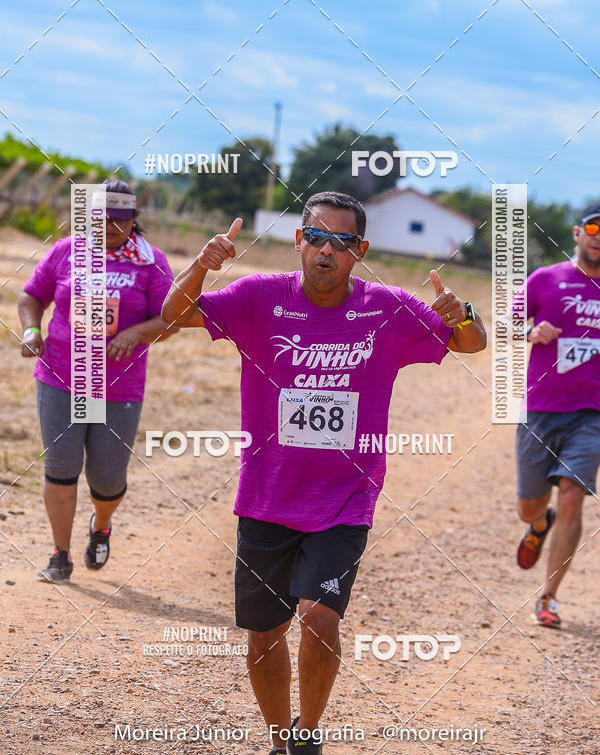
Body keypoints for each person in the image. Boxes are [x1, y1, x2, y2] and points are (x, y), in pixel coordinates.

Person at [162, 190, 486, 755]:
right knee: (264, 635)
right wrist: (201, 265)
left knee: (317, 619)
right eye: (315, 237)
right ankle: (279, 738)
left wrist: (466, 315)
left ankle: (307, 738)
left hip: (345, 498)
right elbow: (173, 314)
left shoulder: (386, 308)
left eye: (340, 241)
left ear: (360, 250)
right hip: (265, 496)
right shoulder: (260, 298)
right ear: (298, 241)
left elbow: (471, 345)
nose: (325, 251)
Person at [18, 179, 178, 583]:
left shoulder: (150, 261)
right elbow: (32, 296)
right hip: (61, 377)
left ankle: (101, 524)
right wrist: (32, 331)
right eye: (99, 218)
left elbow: (172, 318)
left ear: (133, 220)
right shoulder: (67, 250)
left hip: (117, 387)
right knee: (61, 465)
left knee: (107, 478)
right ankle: (60, 554)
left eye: (117, 220)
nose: (107, 226)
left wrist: (137, 333)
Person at [515, 204, 600, 628]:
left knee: (572, 496)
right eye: (594, 227)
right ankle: (537, 523)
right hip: (540, 408)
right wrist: (530, 331)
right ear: (577, 232)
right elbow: (506, 320)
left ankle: (548, 598)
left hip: (592, 416)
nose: (599, 236)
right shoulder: (546, 279)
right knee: (531, 503)